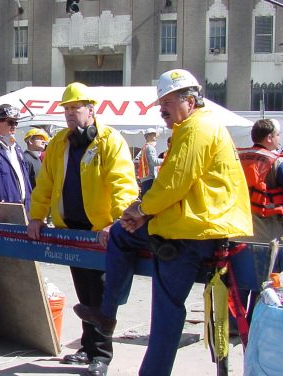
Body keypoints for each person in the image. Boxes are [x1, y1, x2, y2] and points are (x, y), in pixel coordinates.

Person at [73, 69, 253, 376]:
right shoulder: (198, 127)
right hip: (198, 225)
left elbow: (173, 184)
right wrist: (140, 213)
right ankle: (107, 314)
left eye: (167, 102)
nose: (162, 110)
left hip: (192, 232)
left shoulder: (196, 129)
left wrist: (141, 209)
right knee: (122, 234)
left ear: (189, 101)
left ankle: (108, 315)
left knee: (166, 313)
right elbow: (175, 184)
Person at [27, 82, 139, 371]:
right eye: (66, 109)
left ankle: (101, 354)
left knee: (101, 294)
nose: (69, 114)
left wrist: (118, 222)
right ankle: (88, 348)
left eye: (75, 108)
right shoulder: (59, 144)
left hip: (100, 231)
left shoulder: (109, 141)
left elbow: (122, 185)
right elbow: (45, 184)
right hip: (71, 228)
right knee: (84, 292)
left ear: (91, 109)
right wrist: (36, 217)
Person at [237, 119, 283, 244]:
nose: (279, 139)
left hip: (237, 229)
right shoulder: (277, 161)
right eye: (277, 135)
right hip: (267, 232)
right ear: (269, 138)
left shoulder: (237, 156)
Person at [135, 128, 164, 197]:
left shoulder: (144, 147)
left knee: (146, 199)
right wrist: (167, 160)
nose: (155, 137)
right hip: (150, 178)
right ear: (149, 136)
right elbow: (154, 161)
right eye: (153, 135)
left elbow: (136, 160)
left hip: (145, 178)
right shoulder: (150, 147)